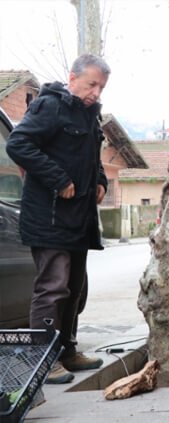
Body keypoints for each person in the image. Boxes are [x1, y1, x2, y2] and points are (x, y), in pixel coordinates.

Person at [6, 54, 110, 384]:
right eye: (92, 84)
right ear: (73, 77)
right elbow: (19, 145)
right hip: (48, 216)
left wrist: (101, 181)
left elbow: (91, 157)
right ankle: (45, 361)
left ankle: (66, 350)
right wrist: (59, 179)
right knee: (52, 288)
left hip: (79, 218)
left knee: (73, 290)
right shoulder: (50, 106)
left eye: (101, 87)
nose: (96, 92)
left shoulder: (90, 115)